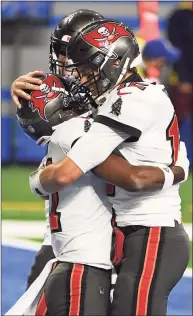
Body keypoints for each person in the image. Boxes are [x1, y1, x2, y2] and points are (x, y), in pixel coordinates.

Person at [35, 19, 190, 316]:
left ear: (115, 60)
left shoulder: (132, 98)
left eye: (89, 68)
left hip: (153, 233)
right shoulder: (120, 99)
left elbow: (76, 172)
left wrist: (53, 165)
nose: (83, 76)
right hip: (134, 235)